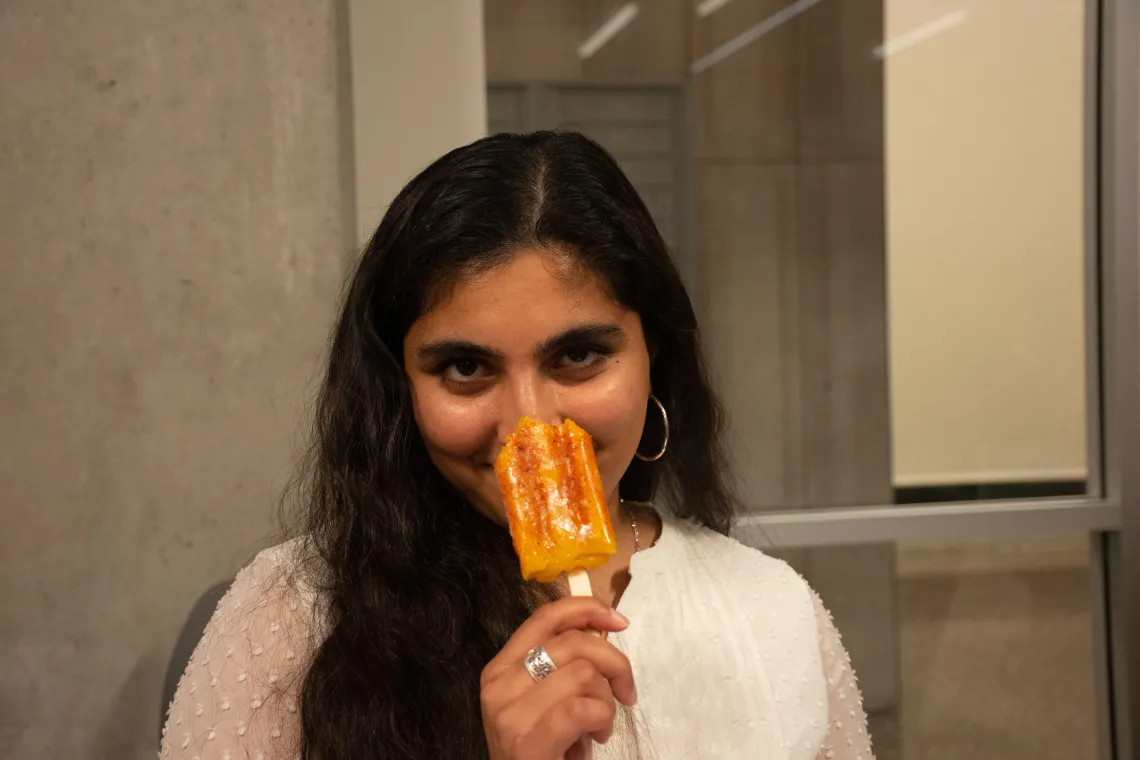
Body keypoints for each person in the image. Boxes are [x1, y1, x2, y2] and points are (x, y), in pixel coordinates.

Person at [159, 131, 873, 760]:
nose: (529, 428)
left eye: (580, 356)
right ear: (399, 389)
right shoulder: (290, 618)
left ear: (653, 354)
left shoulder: (775, 613)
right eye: (466, 368)